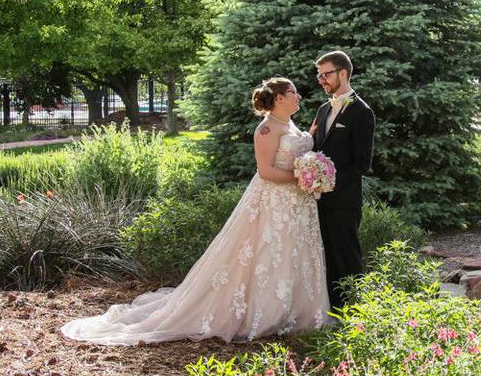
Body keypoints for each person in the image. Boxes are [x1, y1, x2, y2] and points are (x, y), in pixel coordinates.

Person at [61, 78, 330, 345]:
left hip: (297, 204)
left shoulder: (288, 124)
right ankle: (265, 314)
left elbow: (292, 151)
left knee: (290, 252)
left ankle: (292, 312)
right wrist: (301, 176)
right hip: (274, 202)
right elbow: (266, 171)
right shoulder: (266, 130)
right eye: (294, 92)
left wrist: (310, 164)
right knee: (268, 252)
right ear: (280, 98)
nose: (299, 96)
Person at [310, 51, 375, 308]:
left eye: (326, 74)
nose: (321, 80)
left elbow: (361, 164)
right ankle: (330, 312)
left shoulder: (362, 111)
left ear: (343, 73)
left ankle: (354, 313)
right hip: (317, 200)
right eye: (319, 75)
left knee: (347, 257)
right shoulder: (323, 108)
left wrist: (328, 180)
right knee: (325, 258)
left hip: (345, 200)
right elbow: (316, 149)